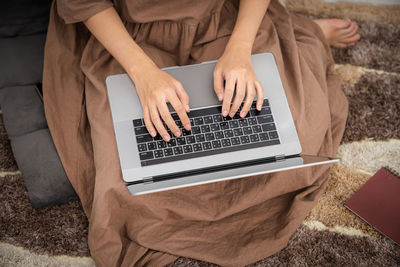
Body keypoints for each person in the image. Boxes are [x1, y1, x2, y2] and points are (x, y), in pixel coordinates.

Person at [42, 0, 358, 266]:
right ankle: (301, 37)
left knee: (296, 141)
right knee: (128, 192)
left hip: (225, 22)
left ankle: (304, 35)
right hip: (129, 39)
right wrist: (145, 76)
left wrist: (240, 49)